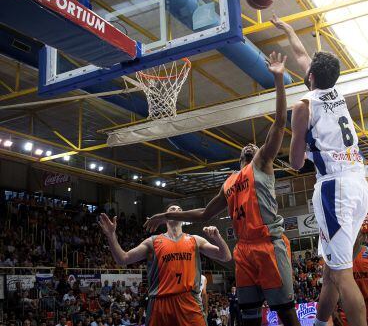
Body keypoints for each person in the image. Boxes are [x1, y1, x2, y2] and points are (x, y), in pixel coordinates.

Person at [144, 52, 300, 326]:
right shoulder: (229, 182)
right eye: (246, 148)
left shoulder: (261, 163)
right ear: (239, 158)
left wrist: (278, 79)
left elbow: (279, 122)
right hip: (243, 249)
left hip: (268, 244)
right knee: (248, 314)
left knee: (285, 311)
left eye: (254, 146)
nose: (251, 146)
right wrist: (166, 216)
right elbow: (204, 213)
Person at [271, 15, 368, 326]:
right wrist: (288, 29)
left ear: (310, 76)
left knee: (342, 275)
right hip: (358, 184)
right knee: (330, 272)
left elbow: (297, 163)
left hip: (334, 189)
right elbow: (303, 56)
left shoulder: (303, 106)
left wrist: (296, 135)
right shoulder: (336, 93)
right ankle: (318, 323)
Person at [98, 206, 231, 326]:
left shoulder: (195, 240)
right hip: (160, 304)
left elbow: (226, 257)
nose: (177, 211)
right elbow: (123, 259)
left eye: (180, 210)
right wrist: (111, 235)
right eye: (172, 209)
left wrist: (218, 238)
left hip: (189, 302)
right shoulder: (153, 241)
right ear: (166, 215)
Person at [334, 229, 368, 326]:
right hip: (346, 307)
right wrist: (333, 312)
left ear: (361, 236)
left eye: (356, 232)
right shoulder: (336, 257)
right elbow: (330, 287)